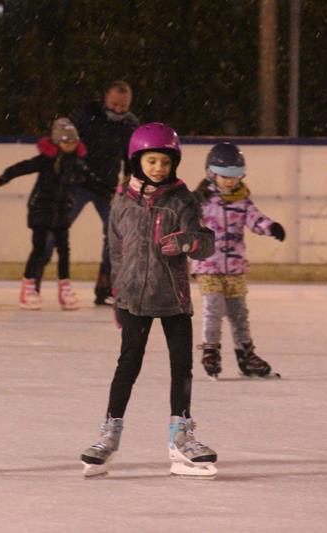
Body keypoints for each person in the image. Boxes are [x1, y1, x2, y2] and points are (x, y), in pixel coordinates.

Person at [80, 123, 217, 478]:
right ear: (138, 160)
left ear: (174, 164)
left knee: (181, 367)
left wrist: (187, 241)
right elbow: (116, 249)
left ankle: (181, 437)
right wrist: (116, 294)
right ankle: (109, 434)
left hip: (173, 298)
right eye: (152, 160)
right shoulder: (122, 200)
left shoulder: (183, 199)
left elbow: (206, 243)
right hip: (133, 301)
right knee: (127, 366)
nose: (158, 168)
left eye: (165, 162)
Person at [191, 142, 285, 379]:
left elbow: (255, 219)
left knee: (238, 312)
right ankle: (210, 349)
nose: (230, 182)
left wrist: (271, 227)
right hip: (208, 267)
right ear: (211, 173)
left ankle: (246, 354)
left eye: (235, 176)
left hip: (234, 268)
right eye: (224, 176)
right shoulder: (200, 201)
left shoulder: (242, 200)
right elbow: (184, 224)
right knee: (213, 308)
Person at [0, 117, 105, 311]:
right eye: (65, 141)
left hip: (62, 210)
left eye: (73, 141)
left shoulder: (77, 164)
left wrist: (111, 192)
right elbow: (25, 166)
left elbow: (92, 181)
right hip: (41, 209)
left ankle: (65, 289)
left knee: (64, 250)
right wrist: (7, 175)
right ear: (56, 141)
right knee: (39, 249)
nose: (70, 145)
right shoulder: (46, 160)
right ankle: (29, 288)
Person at [55, 80, 139, 305]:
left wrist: (130, 182)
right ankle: (32, 281)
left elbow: (131, 158)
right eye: (114, 104)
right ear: (105, 99)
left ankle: (106, 287)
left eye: (124, 106)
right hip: (78, 184)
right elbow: (63, 137)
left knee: (116, 236)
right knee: (55, 228)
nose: (119, 110)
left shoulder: (130, 124)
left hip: (108, 189)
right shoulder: (86, 114)